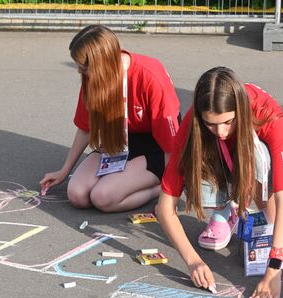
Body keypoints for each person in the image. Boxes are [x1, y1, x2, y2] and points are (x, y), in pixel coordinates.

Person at [156, 67, 283, 298]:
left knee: (273, 216)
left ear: (240, 111)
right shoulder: (194, 124)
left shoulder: (270, 116)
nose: (220, 132)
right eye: (210, 123)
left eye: (227, 122)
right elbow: (164, 207)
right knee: (195, 154)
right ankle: (224, 210)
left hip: (253, 150)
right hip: (219, 158)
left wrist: (275, 269)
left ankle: (246, 198)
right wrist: (193, 263)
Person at [40, 25, 180, 212]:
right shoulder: (93, 78)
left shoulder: (149, 75)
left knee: (103, 197)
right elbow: (85, 128)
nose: (80, 72)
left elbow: (171, 145)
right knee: (77, 195)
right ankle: (124, 178)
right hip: (120, 140)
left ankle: (155, 188)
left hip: (155, 146)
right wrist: (64, 171)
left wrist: (168, 197)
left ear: (102, 64)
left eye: (84, 68)